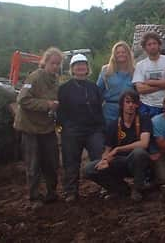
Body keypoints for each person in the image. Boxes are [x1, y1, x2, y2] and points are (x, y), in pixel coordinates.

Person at [13, 47, 63, 209]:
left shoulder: (56, 81)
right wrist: (46, 105)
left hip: (47, 127)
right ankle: (34, 197)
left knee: (52, 161)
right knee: (33, 164)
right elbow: (22, 100)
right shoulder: (34, 78)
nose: (55, 66)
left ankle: (51, 192)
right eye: (52, 63)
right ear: (45, 62)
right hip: (30, 127)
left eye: (58, 63)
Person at [83, 90, 152, 202]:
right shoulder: (113, 125)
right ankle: (120, 189)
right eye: (127, 102)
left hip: (136, 162)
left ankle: (137, 189)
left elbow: (144, 143)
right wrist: (104, 160)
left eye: (133, 102)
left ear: (137, 105)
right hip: (119, 162)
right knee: (89, 169)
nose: (130, 105)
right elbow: (107, 149)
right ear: (121, 104)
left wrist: (118, 149)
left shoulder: (144, 120)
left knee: (139, 152)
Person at [57, 54, 105, 202]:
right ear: (72, 69)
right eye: (77, 65)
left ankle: (105, 186)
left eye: (83, 64)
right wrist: (64, 127)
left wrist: (100, 127)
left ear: (87, 68)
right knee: (71, 162)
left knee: (99, 159)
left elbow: (99, 108)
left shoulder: (94, 88)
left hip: (93, 130)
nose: (80, 67)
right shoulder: (64, 88)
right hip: (72, 130)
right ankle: (71, 191)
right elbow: (60, 111)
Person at [133, 32, 165, 118]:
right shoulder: (140, 65)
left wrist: (150, 82)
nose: (152, 46)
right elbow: (140, 89)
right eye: (149, 44)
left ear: (159, 44)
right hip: (146, 106)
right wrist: (164, 84)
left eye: (154, 43)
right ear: (145, 47)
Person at [97, 41, 135, 122]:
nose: (121, 54)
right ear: (114, 55)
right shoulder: (106, 71)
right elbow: (98, 92)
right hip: (110, 111)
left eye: (123, 52)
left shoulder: (135, 71)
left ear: (128, 54)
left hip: (129, 110)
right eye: (118, 52)